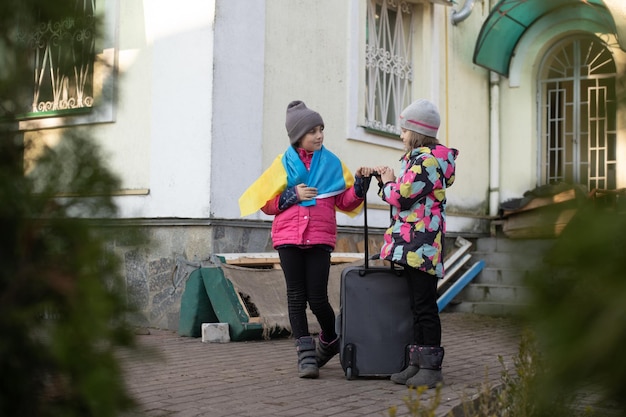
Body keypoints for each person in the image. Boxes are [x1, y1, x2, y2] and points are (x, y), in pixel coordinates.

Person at [238, 100, 376, 378]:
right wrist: (292, 196)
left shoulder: (333, 164)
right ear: (297, 135)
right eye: (312, 130)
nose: (319, 135)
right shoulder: (282, 165)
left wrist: (360, 187)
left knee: (318, 298)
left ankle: (329, 338)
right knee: (296, 297)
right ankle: (305, 354)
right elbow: (266, 203)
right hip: (288, 238)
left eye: (321, 129)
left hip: (319, 239)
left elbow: (345, 202)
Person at [373, 98, 458, 389]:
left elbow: (401, 195)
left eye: (404, 130)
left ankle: (431, 369)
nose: (401, 135)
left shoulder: (427, 161)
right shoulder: (421, 160)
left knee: (424, 307)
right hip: (415, 245)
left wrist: (387, 182)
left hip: (422, 246)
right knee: (415, 307)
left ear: (417, 132)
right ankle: (416, 363)